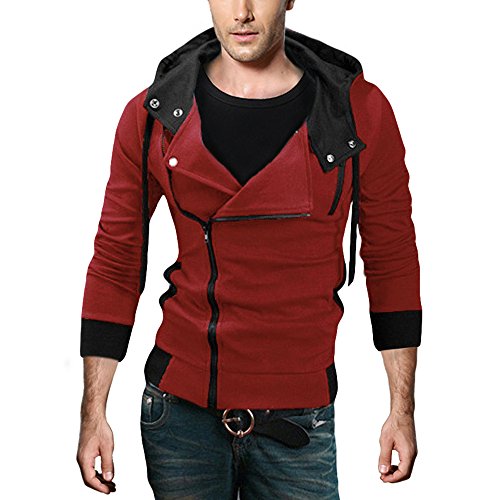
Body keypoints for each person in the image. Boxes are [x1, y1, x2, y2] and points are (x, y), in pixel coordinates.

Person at [76, 1, 422, 498]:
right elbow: (116, 260)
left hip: (300, 419)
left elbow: (392, 258)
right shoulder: (152, 115)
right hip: (179, 417)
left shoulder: (358, 111)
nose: (242, 11)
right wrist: (93, 413)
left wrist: (401, 410)